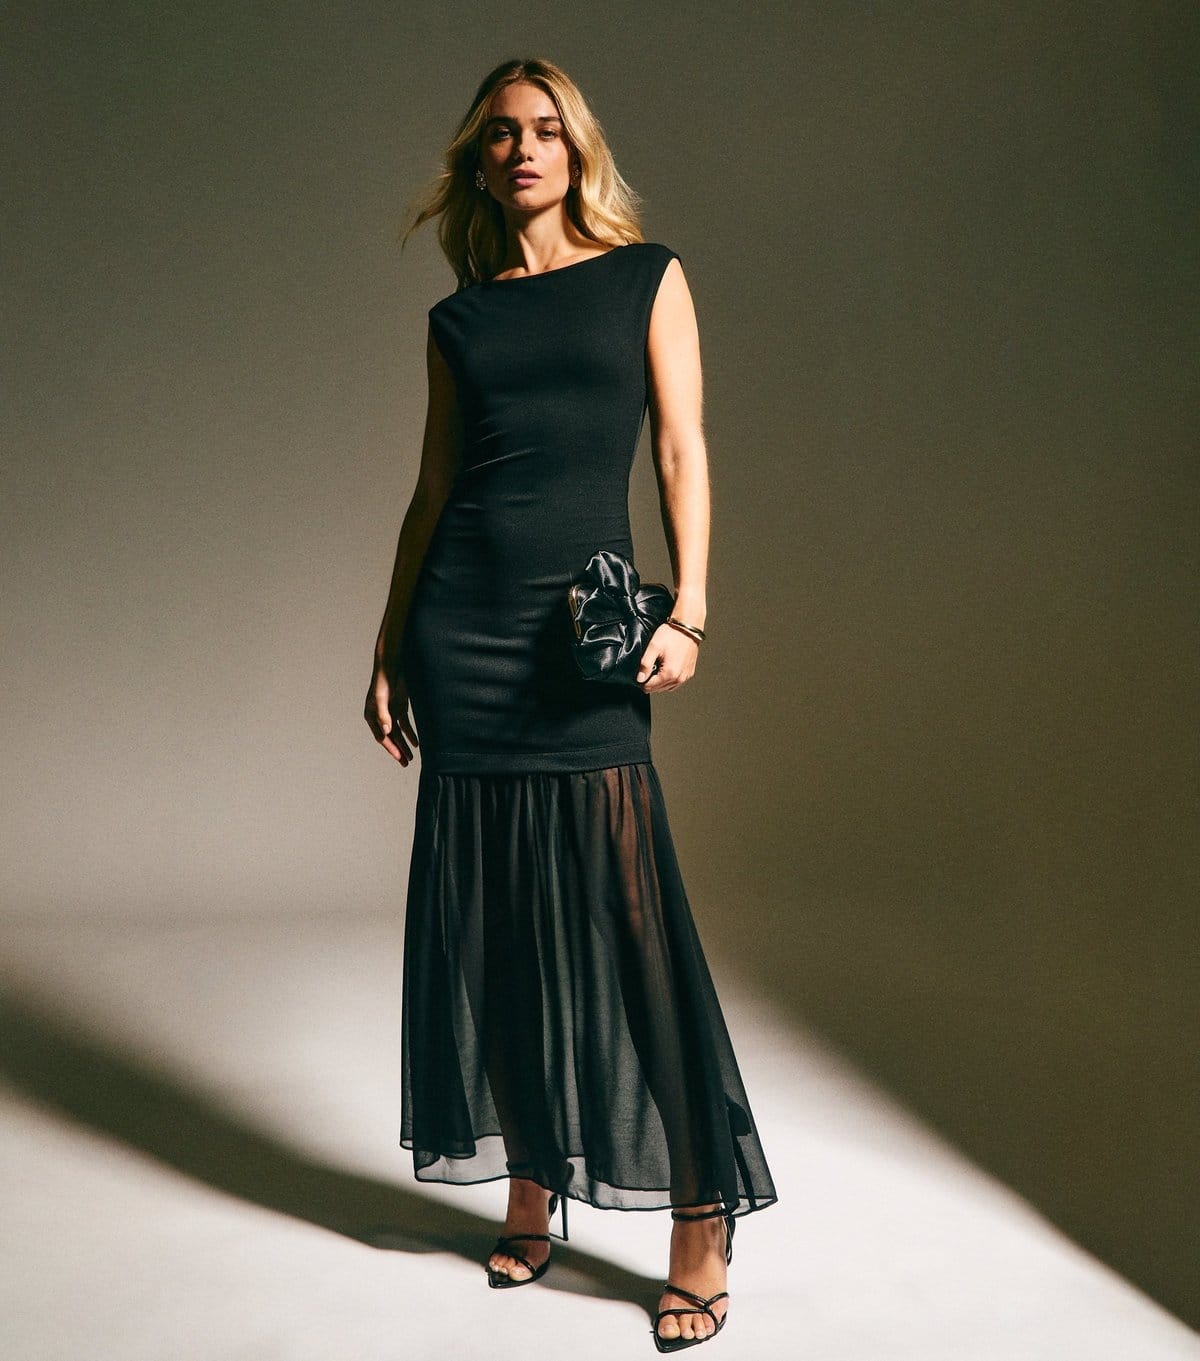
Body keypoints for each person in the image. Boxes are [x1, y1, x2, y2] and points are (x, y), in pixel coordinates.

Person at [365, 56, 777, 1352]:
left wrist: (688, 607)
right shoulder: (462, 321)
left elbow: (681, 447)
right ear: (480, 162)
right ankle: (533, 1179)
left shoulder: (646, 278)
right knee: (495, 924)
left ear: (576, 148)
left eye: (546, 129)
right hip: (465, 631)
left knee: (629, 918)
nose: (525, 149)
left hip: (578, 638)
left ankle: (700, 1212)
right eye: (502, 134)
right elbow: (434, 493)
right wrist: (389, 645)